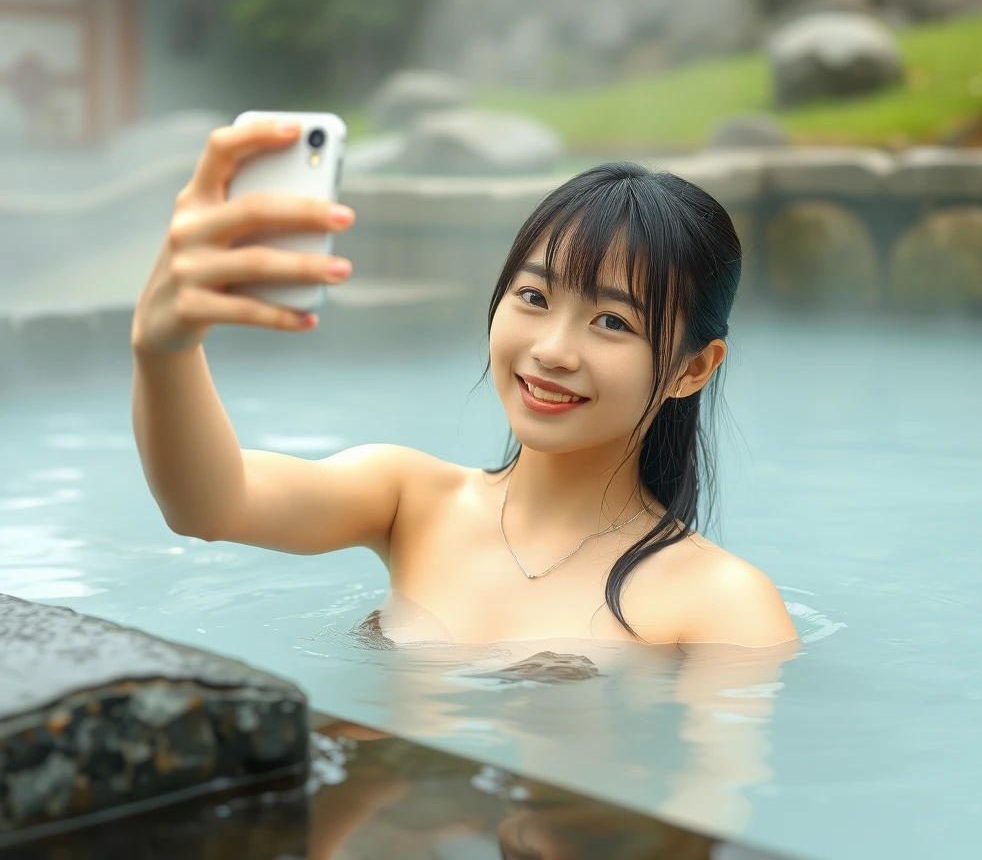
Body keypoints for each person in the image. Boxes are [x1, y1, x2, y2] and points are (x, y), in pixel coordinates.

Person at [131, 119, 798, 649]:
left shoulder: (723, 605)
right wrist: (163, 346)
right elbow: (209, 505)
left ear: (693, 368)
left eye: (611, 320)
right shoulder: (409, 501)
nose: (552, 350)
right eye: (534, 297)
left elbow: (707, 813)